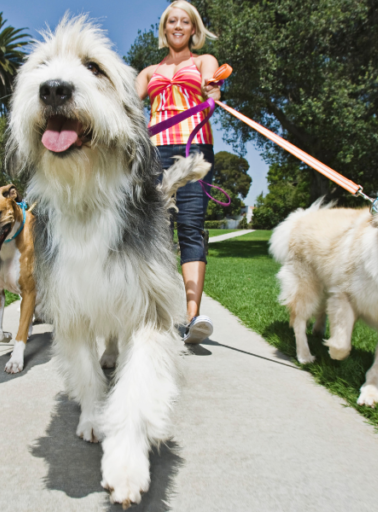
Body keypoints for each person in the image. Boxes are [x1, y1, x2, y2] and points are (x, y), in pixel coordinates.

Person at [135, 0, 220, 344]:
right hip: (155, 152)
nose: (179, 26)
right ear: (165, 29)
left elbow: (213, 87)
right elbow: (126, 102)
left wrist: (213, 91)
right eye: (173, 21)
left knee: (190, 227)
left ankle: (192, 317)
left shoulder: (203, 61)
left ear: (193, 29)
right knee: (156, 230)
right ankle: (152, 312)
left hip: (194, 150)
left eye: (185, 21)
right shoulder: (148, 72)